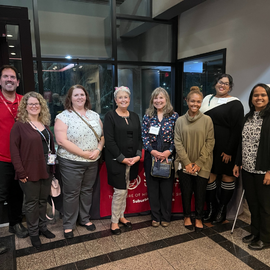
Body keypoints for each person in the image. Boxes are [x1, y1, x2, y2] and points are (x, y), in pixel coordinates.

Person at [54, 85, 104, 239]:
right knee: (71, 193)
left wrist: (98, 149)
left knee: (87, 191)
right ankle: (69, 224)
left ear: (86, 97)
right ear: (70, 98)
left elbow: (102, 136)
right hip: (71, 162)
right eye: (76, 95)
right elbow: (61, 141)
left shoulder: (94, 115)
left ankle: (85, 219)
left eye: (82, 94)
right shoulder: (63, 117)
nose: (80, 97)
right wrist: (83, 153)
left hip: (92, 161)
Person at [10, 92, 56, 248]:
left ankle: (43, 228)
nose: (34, 106)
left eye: (37, 104)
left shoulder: (44, 124)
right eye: (31, 104)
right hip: (29, 171)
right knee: (31, 203)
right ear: (25, 107)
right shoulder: (19, 126)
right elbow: (14, 151)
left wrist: (53, 167)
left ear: (41, 106)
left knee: (43, 201)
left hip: (46, 169)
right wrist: (21, 172)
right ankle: (34, 232)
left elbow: (50, 148)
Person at [200, 74, 244, 224]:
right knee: (210, 176)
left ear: (230, 87)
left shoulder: (236, 103)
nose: (222, 85)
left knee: (226, 176)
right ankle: (212, 208)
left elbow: (237, 129)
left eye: (226, 83)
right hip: (208, 145)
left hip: (226, 147)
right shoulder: (207, 99)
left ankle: (222, 210)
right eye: (220, 82)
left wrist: (229, 151)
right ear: (215, 84)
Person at [233, 83, 270, 251]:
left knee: (265, 206)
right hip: (247, 169)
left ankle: (266, 238)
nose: (259, 98)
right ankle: (255, 233)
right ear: (251, 98)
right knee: (253, 204)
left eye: (263, 95)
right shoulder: (247, 117)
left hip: (264, 170)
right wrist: (238, 163)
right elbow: (242, 143)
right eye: (256, 95)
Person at [174, 89, 215, 231]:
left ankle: (198, 217)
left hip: (202, 164)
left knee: (200, 192)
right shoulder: (179, 121)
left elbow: (210, 142)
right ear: (187, 101)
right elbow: (177, 142)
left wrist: (198, 163)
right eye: (192, 101)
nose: (195, 104)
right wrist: (187, 162)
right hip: (184, 163)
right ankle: (186, 216)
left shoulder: (207, 120)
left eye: (198, 101)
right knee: (186, 191)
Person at [103, 86, 142, 235]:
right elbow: (110, 141)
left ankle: (121, 216)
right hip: (117, 160)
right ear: (115, 100)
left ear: (129, 99)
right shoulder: (110, 116)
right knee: (119, 191)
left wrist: (138, 155)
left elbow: (139, 138)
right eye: (120, 97)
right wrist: (122, 159)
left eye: (126, 97)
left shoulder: (134, 116)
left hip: (132, 160)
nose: (123, 100)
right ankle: (114, 222)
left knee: (125, 190)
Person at [0, 65, 28, 254]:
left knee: (17, 194)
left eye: (13, 77)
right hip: (1, 158)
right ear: (0, 80)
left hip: (21, 158)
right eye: (5, 77)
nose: (9, 80)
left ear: (18, 82)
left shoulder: (25, 102)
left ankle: (15, 223)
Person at [142, 87, 179, 227]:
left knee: (166, 188)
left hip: (167, 155)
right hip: (151, 155)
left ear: (166, 99)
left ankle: (166, 216)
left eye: (161, 98)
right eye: (155, 98)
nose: (158, 101)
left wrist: (169, 151)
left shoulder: (174, 116)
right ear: (152, 100)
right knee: (152, 188)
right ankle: (155, 216)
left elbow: (178, 136)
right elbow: (144, 136)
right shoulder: (147, 116)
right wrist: (152, 151)